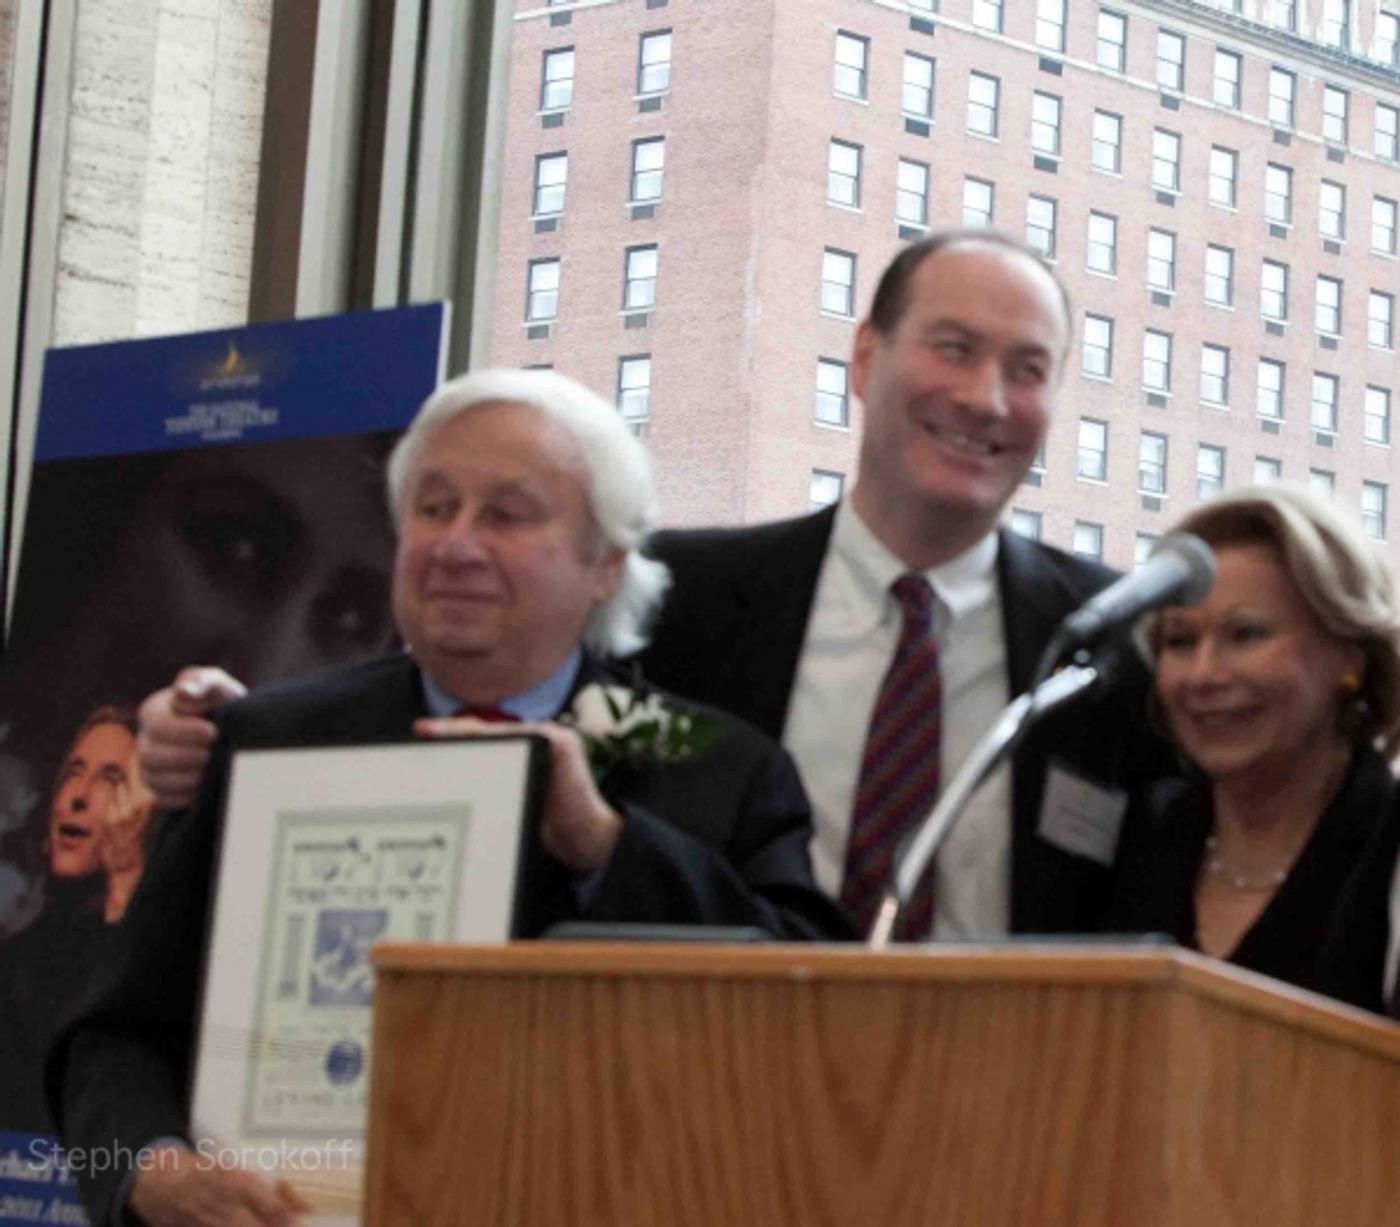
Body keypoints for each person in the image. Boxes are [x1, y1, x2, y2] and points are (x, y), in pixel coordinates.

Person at [137, 230, 1170, 940]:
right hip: (699, 1105)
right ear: (864, 358)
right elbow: (447, 686)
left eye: (1027, 368)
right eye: (953, 348)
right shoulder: (677, 598)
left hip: (1008, 1121)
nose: (985, 397)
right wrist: (224, 729)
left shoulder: (1113, 641)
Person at [48, 369, 849, 1227]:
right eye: (434, 508)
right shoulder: (268, 744)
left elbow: (816, 1023)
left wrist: (606, 845)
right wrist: (148, 1167)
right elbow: (116, 1031)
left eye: (507, 514)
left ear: (606, 566)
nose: (456, 544)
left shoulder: (719, 768)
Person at [1107, 486, 1400, 990]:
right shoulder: (1142, 835)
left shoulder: (1387, 847)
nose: (1203, 674)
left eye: (1246, 635)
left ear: (1349, 657)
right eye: (1180, 641)